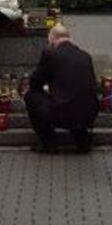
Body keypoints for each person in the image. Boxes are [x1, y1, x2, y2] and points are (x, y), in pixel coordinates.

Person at [24, 22, 98, 153]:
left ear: (52, 39)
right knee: (73, 99)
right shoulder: (85, 56)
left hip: (64, 113)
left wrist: (46, 88)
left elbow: (35, 83)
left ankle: (49, 143)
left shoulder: (51, 54)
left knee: (31, 96)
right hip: (89, 113)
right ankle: (82, 140)